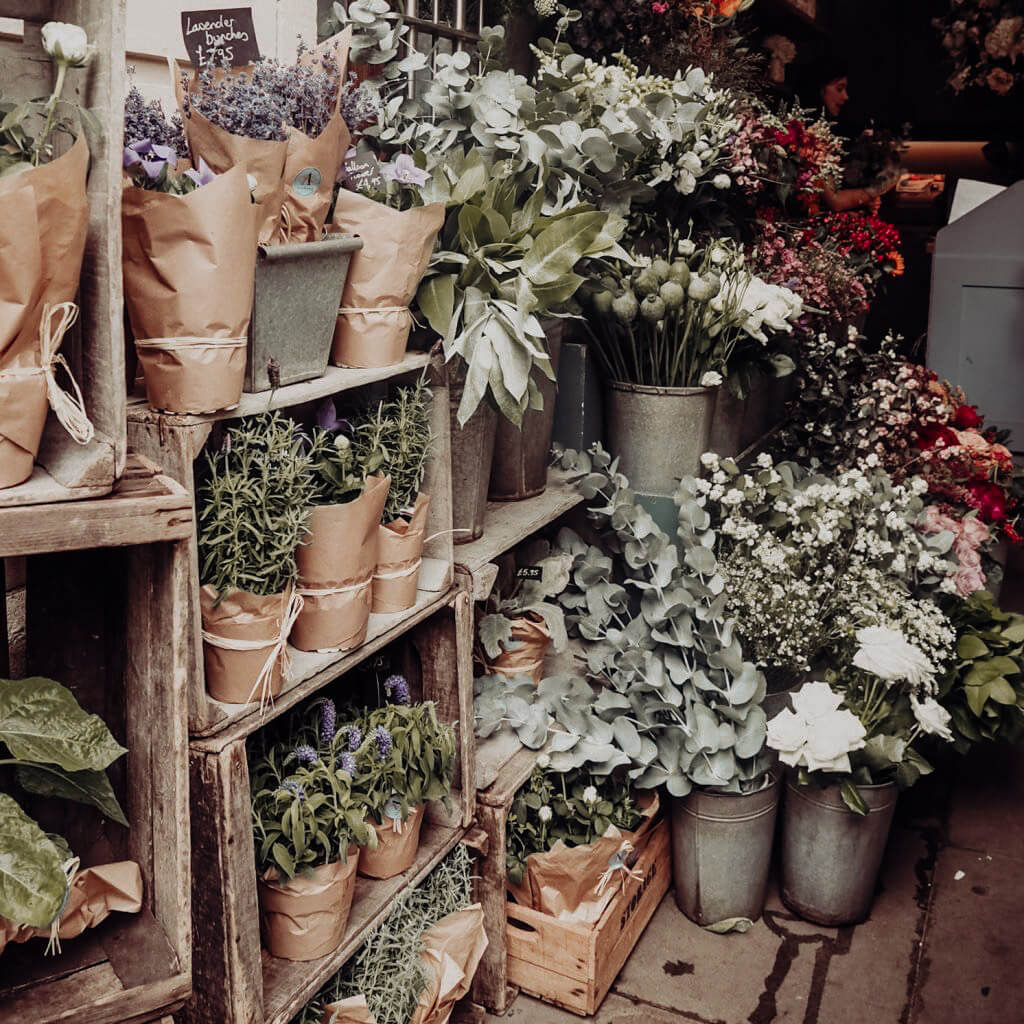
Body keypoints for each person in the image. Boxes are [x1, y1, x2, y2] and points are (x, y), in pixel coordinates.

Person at [803, 56, 896, 213]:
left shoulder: (827, 131)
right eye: (839, 89)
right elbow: (835, 201)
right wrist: (880, 187)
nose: (846, 97)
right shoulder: (808, 136)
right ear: (820, 89)